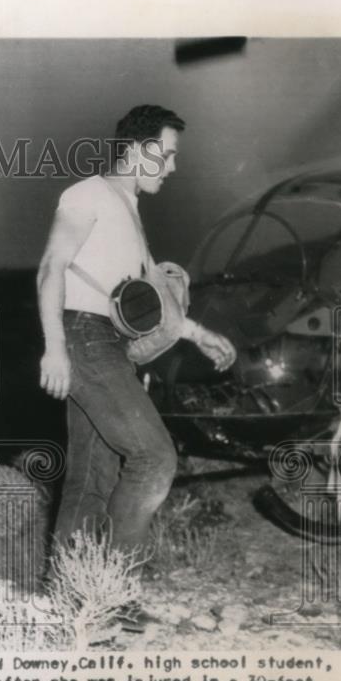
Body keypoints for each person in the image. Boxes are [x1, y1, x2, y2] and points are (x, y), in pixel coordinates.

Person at [37, 105, 236, 586]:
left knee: (93, 475)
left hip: (106, 341)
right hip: (84, 336)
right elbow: (51, 268)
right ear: (135, 150)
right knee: (155, 458)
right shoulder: (88, 193)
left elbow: (154, 304)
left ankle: (70, 592)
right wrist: (54, 347)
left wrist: (199, 333)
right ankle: (109, 584)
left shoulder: (128, 210)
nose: (172, 167)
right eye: (165, 155)